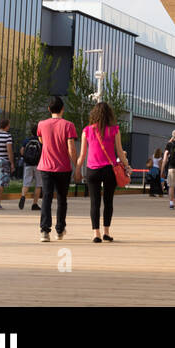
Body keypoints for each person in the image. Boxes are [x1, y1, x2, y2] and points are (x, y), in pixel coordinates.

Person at [76, 101, 129, 243]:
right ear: (109, 115)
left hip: (92, 170)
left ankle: (96, 233)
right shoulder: (115, 130)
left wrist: (77, 170)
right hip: (108, 170)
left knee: (95, 202)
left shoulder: (86, 130)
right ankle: (106, 232)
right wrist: (126, 165)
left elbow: (82, 154)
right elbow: (119, 150)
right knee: (108, 201)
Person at [35, 97, 78, 242]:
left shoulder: (41, 124)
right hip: (63, 167)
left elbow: (41, 140)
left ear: (49, 109)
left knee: (46, 197)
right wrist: (77, 165)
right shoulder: (69, 125)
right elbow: (71, 147)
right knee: (61, 199)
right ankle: (59, 230)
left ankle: (44, 231)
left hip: (45, 166)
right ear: (63, 109)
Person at [18, 130, 43, 211]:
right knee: (38, 184)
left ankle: (23, 196)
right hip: (38, 165)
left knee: (26, 182)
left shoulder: (27, 140)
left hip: (28, 164)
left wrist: (27, 157)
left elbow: (21, 151)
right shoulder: (41, 141)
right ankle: (34, 204)